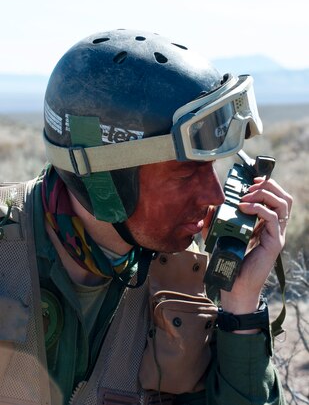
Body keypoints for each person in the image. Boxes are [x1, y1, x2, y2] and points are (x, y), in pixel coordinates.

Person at [0, 29, 292, 405]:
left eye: (212, 168)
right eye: (185, 173)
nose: (213, 196)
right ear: (107, 178)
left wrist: (241, 308)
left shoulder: (186, 278)